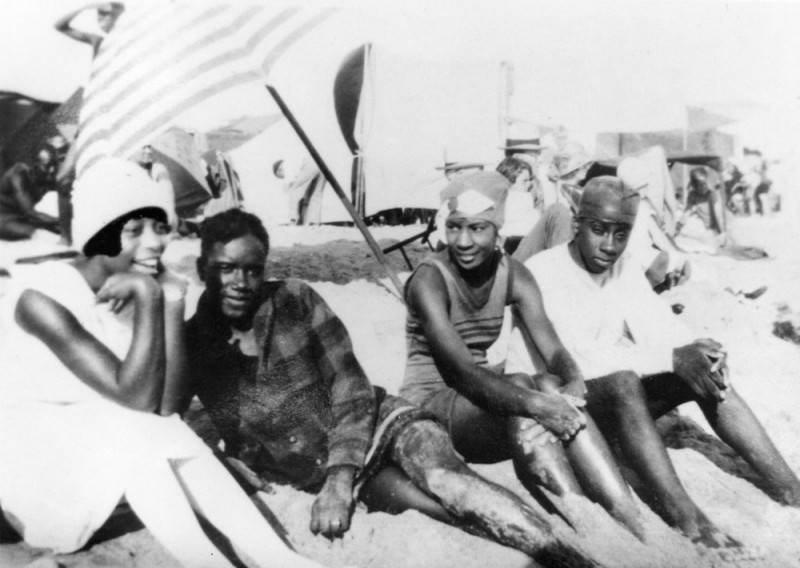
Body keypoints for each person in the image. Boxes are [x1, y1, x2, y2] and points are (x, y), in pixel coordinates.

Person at [184, 208, 600, 567]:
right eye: (226, 268)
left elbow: (350, 386)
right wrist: (219, 461)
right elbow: (167, 421)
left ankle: (577, 561)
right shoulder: (191, 342)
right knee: (439, 511)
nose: (241, 282)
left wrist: (339, 480)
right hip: (311, 470)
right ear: (203, 269)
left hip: (383, 424)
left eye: (253, 269)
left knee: (450, 482)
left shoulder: (295, 300)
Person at [0, 158, 323, 568]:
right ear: (98, 235)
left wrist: (171, 300)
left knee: (152, 429)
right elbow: (136, 397)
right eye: (133, 231)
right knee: (135, 427)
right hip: (35, 463)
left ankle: (281, 560)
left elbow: (168, 406)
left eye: (159, 227)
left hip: (108, 443)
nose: (154, 242)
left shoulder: (136, 282)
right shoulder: (41, 297)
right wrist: (149, 295)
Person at [506, 175, 800, 549]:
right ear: (577, 224)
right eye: (598, 230)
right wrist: (672, 357)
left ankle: (790, 489)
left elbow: (659, 326)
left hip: (607, 399)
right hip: (559, 402)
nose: (609, 245)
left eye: (621, 234)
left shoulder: (622, 267)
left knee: (706, 372)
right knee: (625, 382)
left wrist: (697, 350)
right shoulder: (544, 272)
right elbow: (576, 364)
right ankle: (689, 520)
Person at [399, 171, 645, 539]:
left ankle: (625, 513)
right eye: (454, 227)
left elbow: (552, 346)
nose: (463, 241)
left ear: (497, 229)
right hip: (429, 406)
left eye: (477, 228)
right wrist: (536, 405)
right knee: (526, 387)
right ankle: (581, 515)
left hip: (478, 401)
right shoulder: (429, 280)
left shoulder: (513, 273)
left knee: (547, 382)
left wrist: (572, 380)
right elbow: (461, 372)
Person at [0, 146, 61, 241]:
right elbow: (29, 212)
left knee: (58, 230)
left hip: (20, 216)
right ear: (35, 164)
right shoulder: (17, 174)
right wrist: (61, 220)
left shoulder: (42, 180)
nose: (50, 172)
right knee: (33, 233)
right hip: (4, 218)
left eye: (52, 167)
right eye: (46, 167)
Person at [54, 2, 125, 57]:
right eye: (100, 13)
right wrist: (83, 8)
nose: (102, 18)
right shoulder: (97, 39)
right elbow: (59, 26)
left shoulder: (125, 35)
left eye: (107, 14)